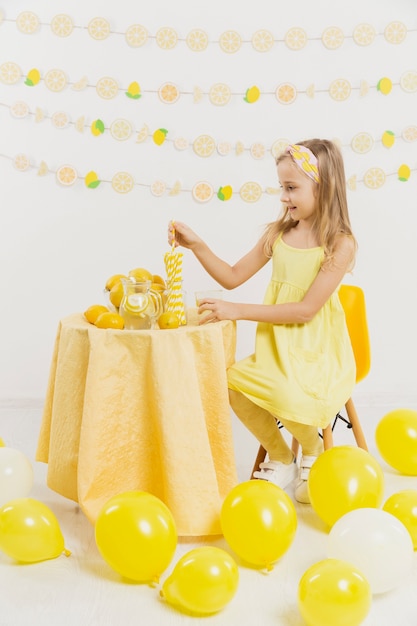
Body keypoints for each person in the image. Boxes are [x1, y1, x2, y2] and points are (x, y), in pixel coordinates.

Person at [168, 139, 357, 504]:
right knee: (233, 385)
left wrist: (237, 310)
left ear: (325, 186)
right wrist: (198, 246)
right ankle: (283, 456)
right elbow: (233, 276)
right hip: (277, 350)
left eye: (292, 188)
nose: (284, 197)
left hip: (316, 351)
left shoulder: (339, 243)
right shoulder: (278, 234)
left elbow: (305, 311)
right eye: (282, 188)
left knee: (289, 393)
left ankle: (311, 448)